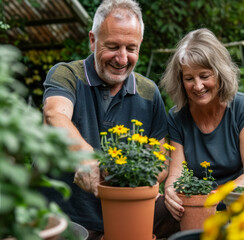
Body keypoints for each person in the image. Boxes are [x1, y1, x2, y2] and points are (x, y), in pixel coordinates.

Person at [41, 0, 178, 239]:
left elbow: (161, 159)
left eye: (131, 48)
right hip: (65, 220)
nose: (122, 59)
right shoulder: (67, 75)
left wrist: (133, 186)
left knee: (182, 208)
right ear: (93, 40)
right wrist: (85, 158)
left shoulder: (149, 92)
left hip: (125, 219)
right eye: (113, 46)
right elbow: (55, 115)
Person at [160, 28, 244, 221]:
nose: (197, 86)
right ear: (180, 81)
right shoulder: (176, 117)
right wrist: (170, 191)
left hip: (238, 205)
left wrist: (221, 195)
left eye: (204, 76)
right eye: (189, 78)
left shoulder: (243, 108)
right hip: (195, 208)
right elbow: (176, 174)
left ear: (219, 73)